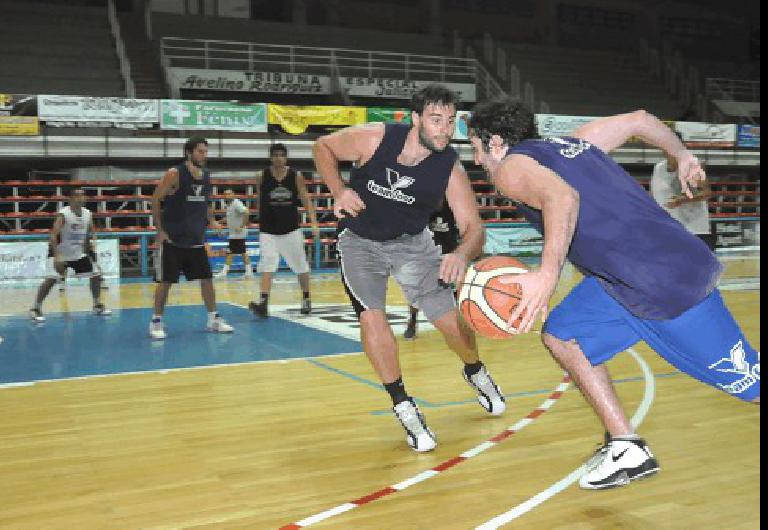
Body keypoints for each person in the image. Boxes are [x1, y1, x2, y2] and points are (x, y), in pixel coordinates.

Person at [467, 99, 760, 490]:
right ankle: (625, 445)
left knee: (753, 388)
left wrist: (547, 274)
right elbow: (640, 119)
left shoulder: (510, 167)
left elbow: (562, 199)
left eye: (475, 146)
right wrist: (681, 153)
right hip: (632, 277)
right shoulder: (576, 143)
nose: (476, 157)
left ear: (497, 142)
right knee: (562, 333)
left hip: (662, 285)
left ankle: (628, 445)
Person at [312, 84, 506, 453]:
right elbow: (322, 146)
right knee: (373, 318)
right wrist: (338, 190)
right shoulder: (376, 138)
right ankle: (402, 403)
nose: (444, 129)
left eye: (450, 122)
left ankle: (475, 370)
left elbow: (474, 228)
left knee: (454, 326)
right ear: (415, 119)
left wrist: (462, 254)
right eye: (436, 120)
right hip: (359, 241)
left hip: (413, 246)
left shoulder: (449, 167)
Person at [149, 136, 234, 339]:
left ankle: (213, 318)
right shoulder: (175, 173)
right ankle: (156, 321)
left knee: (207, 279)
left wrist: (211, 221)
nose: (203, 155)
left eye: (205, 152)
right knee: (166, 282)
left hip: (196, 239)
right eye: (200, 151)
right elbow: (155, 199)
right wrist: (160, 230)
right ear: (189, 152)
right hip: (174, 239)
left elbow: (206, 202)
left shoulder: (205, 175)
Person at [248, 143, 318, 317]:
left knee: (300, 265)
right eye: (275, 155)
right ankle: (263, 302)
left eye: (281, 155)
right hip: (268, 230)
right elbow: (259, 199)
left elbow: (306, 200)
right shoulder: (261, 176)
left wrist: (314, 222)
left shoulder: (295, 176)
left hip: (291, 229)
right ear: (271, 158)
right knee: (268, 263)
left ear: (285, 157)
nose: (278, 158)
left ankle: (306, 297)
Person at [29, 188, 112, 322]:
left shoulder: (88, 214)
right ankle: (36, 308)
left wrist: (89, 248)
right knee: (51, 279)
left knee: (96, 275)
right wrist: (57, 257)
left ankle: (97, 304)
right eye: (77, 196)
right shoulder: (63, 214)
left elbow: (88, 233)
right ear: (71, 199)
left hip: (77, 253)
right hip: (60, 253)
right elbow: (53, 236)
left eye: (83, 196)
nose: (81, 198)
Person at [403, 198, 460, 340]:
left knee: (454, 290)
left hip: (448, 253)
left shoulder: (453, 205)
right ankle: (412, 321)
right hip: (426, 254)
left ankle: (460, 322)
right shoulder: (424, 207)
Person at [650, 154, 715, 251]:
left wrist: (683, 200)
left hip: (695, 231)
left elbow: (707, 193)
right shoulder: (658, 168)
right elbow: (654, 196)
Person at [215, 189, 254, 278]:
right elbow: (229, 218)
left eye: (229, 194)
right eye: (225, 194)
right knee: (242, 252)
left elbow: (247, 212)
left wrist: (242, 226)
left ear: (233, 194)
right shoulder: (229, 205)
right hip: (234, 233)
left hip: (238, 234)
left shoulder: (236, 203)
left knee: (231, 252)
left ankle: (224, 272)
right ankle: (249, 272)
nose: (227, 196)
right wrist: (220, 221)